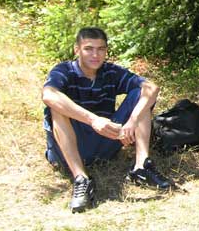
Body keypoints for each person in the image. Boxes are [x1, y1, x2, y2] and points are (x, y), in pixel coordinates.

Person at [42, 27, 173, 213]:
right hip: (67, 148)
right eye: (88, 48)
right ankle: (81, 179)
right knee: (57, 106)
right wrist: (93, 119)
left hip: (107, 140)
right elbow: (48, 95)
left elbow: (151, 87)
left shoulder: (110, 71)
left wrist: (132, 121)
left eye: (101, 49)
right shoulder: (64, 70)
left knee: (141, 95)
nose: (95, 55)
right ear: (76, 50)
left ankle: (141, 166)